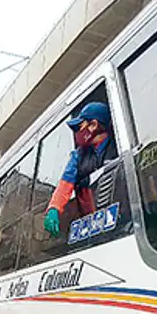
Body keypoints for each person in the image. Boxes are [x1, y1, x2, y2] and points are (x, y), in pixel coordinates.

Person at [43, 102, 115, 237]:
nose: (77, 133)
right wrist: (54, 209)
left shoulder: (118, 144)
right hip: (93, 224)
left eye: (79, 127)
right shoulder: (78, 155)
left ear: (93, 125)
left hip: (119, 216)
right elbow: (65, 185)